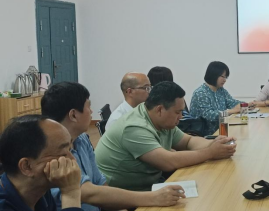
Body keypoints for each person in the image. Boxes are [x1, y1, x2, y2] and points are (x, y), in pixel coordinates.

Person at [41, 82, 185, 211]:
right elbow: (89, 193)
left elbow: (101, 186)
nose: (92, 112)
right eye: (88, 107)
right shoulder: (52, 152)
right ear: (73, 115)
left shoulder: (82, 140)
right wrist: (152, 198)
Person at [96, 81, 237, 192]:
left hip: (150, 185)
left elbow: (188, 141)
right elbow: (168, 162)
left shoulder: (160, 119)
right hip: (125, 196)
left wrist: (216, 144)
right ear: (160, 110)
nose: (181, 117)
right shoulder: (135, 127)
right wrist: (210, 152)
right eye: (178, 112)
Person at [0, 115, 85, 211]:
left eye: (70, 150)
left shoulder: (40, 193)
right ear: (26, 166)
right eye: (63, 153)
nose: (72, 160)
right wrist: (71, 192)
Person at [190, 62, 248, 136]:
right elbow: (210, 115)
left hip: (221, 131)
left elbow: (232, 102)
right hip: (206, 135)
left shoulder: (221, 90)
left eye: (226, 77)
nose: (224, 80)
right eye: (222, 77)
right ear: (213, 75)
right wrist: (231, 111)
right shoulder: (200, 93)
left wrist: (247, 105)